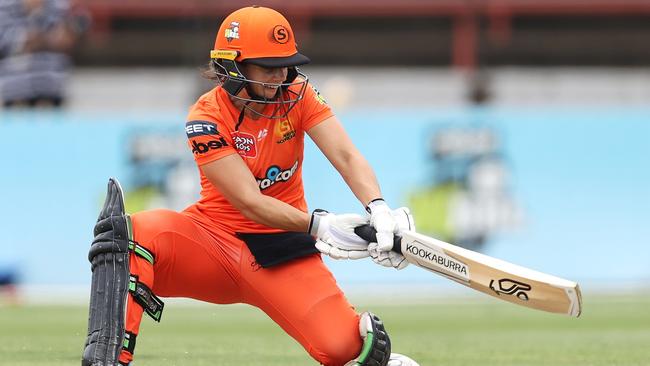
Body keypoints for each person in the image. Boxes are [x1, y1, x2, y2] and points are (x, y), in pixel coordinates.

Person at [81, 6, 418, 366]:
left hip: (283, 250)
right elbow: (249, 201)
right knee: (123, 238)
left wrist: (378, 207)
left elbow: (347, 157)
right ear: (232, 67)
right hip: (213, 242)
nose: (280, 76)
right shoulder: (205, 118)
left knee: (348, 350)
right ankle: (107, 360)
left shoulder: (299, 93)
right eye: (268, 67)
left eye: (285, 64)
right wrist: (322, 226)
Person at [0, 0, 89, 108]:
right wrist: (45, 39)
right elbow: (6, 41)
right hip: (15, 93)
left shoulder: (61, 6)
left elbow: (78, 29)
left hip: (52, 91)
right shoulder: (4, 6)